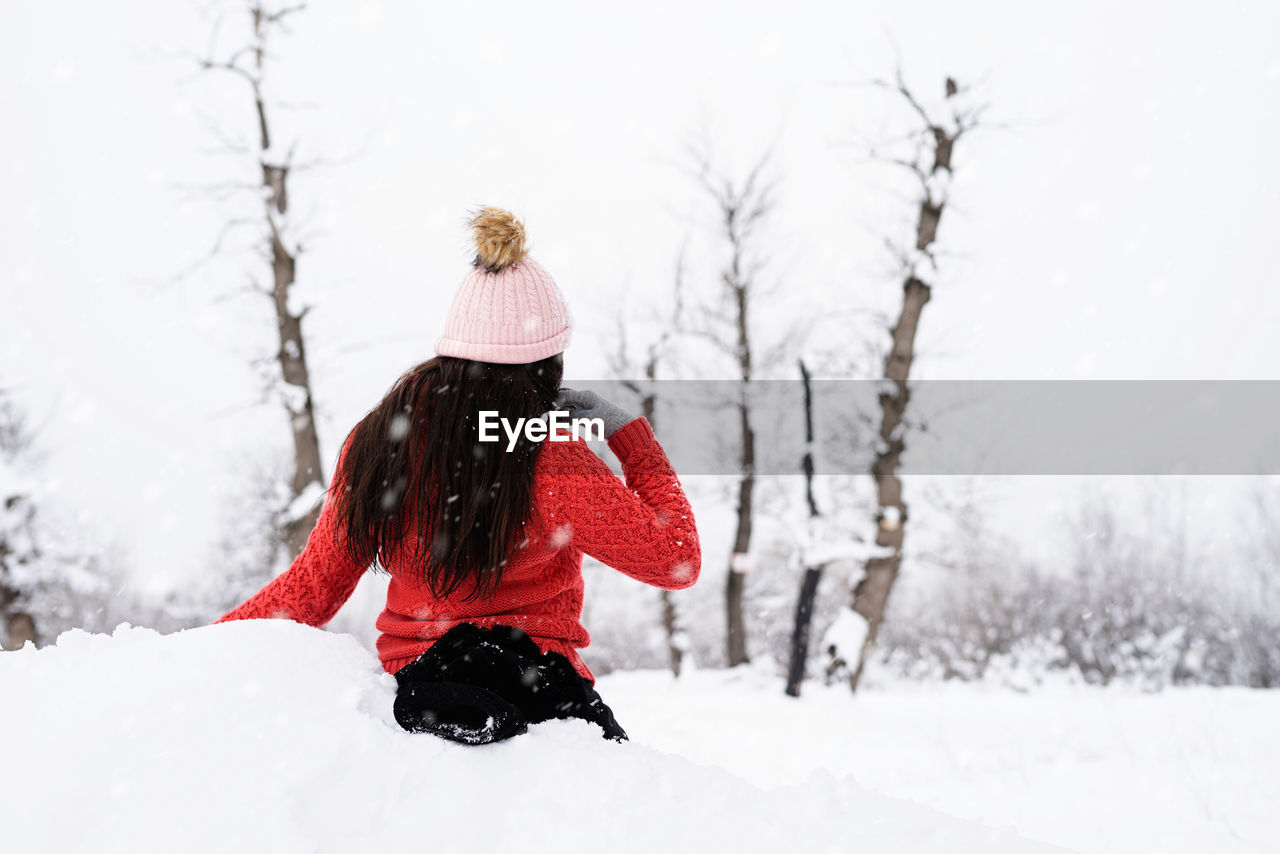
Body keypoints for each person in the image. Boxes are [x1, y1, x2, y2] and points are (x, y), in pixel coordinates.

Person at [215, 207, 701, 745]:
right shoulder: (546, 454)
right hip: (536, 693)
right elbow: (676, 559)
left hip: (417, 690)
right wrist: (631, 437)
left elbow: (310, 592)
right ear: (547, 366)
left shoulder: (377, 442)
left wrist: (195, 649)